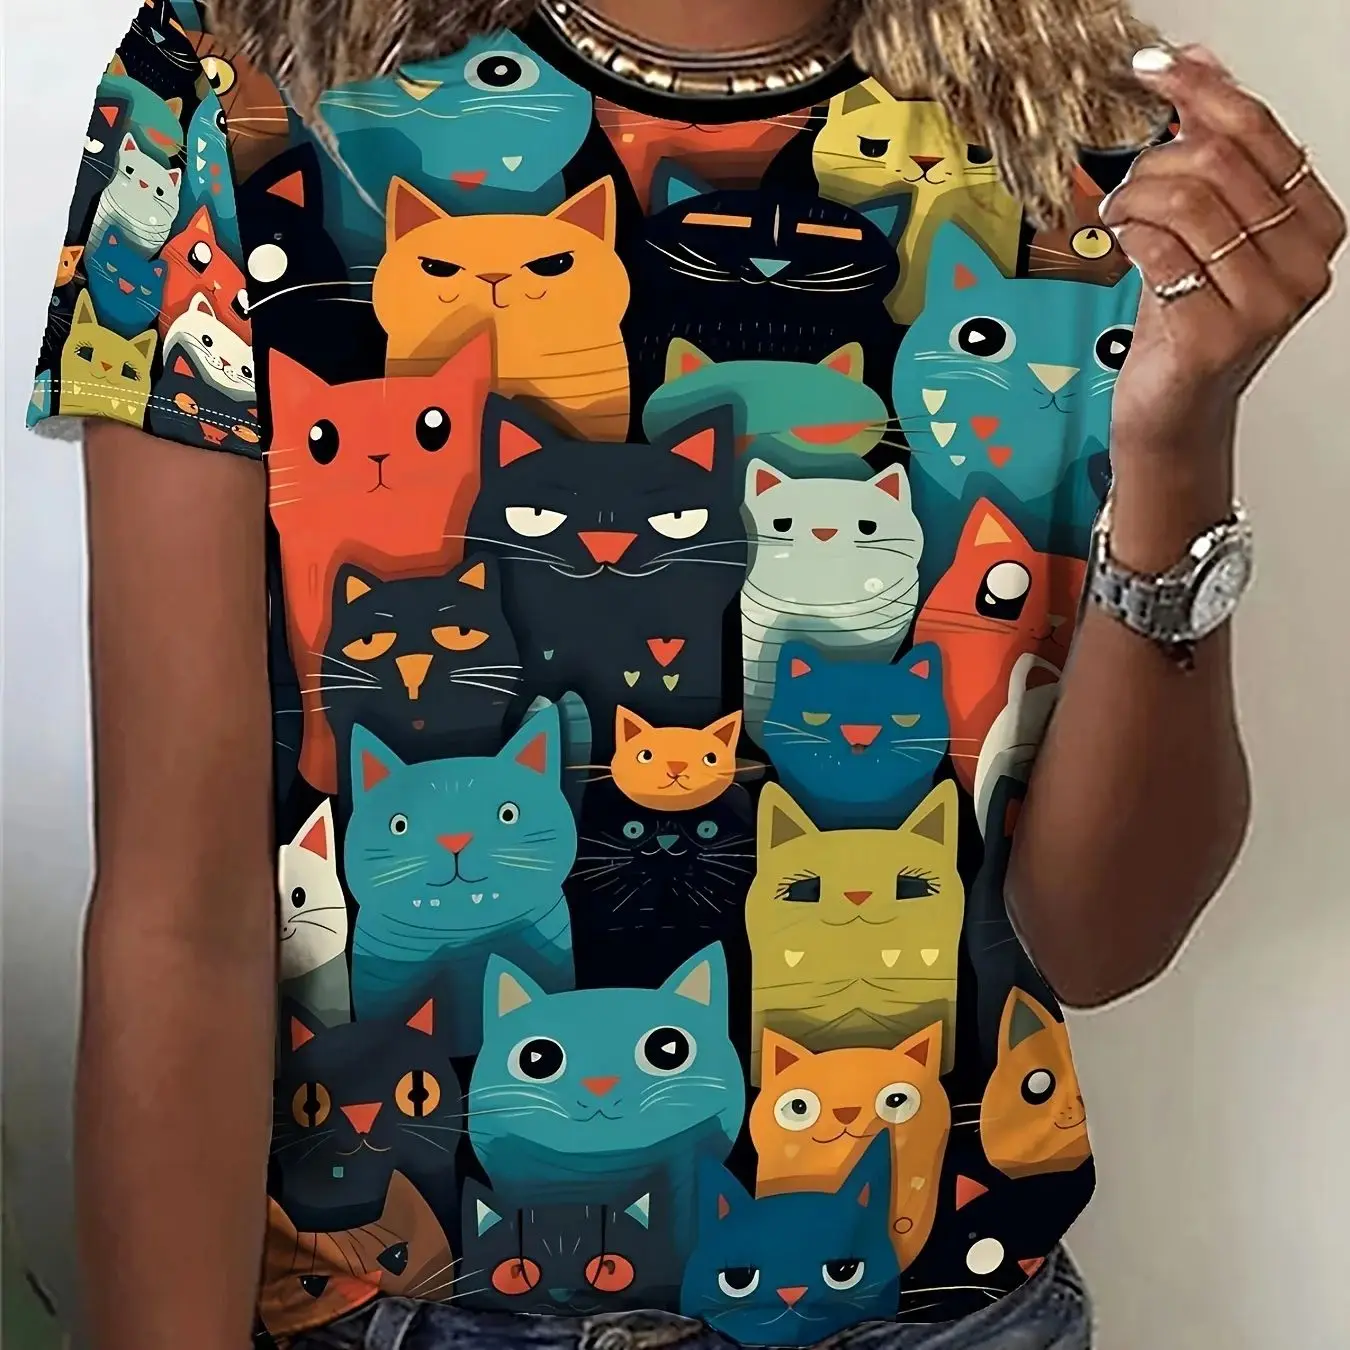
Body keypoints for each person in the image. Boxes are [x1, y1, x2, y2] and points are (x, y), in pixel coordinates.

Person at [26, 0, 1343, 1348]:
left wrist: (1180, 439)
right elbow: (178, 914)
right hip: (381, 1306)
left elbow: (1098, 941)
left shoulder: (1093, 143)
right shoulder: (233, 82)